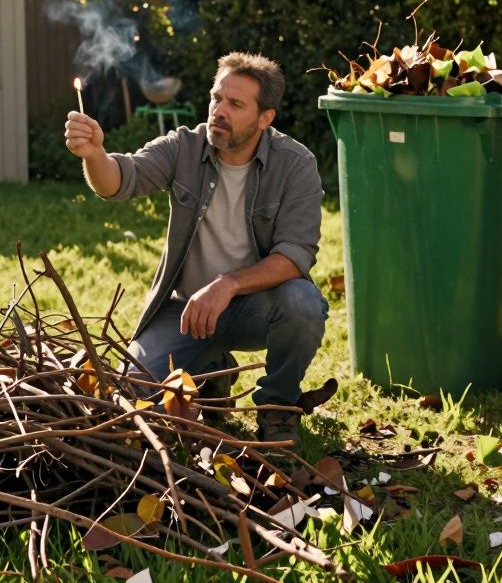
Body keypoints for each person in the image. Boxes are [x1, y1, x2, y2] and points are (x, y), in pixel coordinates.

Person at [63, 51, 327, 445]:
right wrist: (94, 155)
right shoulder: (183, 147)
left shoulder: (295, 164)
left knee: (304, 303)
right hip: (184, 311)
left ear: (265, 118)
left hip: (257, 307)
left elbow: (296, 254)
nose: (219, 110)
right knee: (133, 392)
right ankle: (214, 368)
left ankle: (277, 409)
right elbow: (119, 181)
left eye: (235, 104)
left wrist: (227, 285)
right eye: (216, 97)